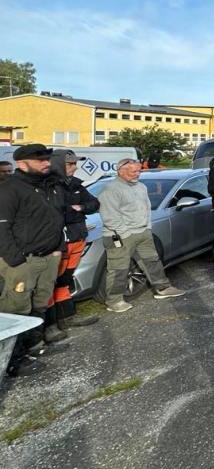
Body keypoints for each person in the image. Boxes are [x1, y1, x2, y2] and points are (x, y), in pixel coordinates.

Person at [0, 144, 65, 377]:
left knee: (40, 303)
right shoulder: (9, 188)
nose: (47, 163)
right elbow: (2, 228)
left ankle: (32, 346)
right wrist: (17, 261)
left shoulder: (48, 185)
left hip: (49, 257)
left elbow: (57, 218)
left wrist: (59, 248)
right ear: (21, 163)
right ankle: (11, 361)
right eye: (40, 160)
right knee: (16, 309)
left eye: (47, 159)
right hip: (22, 261)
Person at [99, 157, 186, 312]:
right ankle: (114, 301)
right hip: (121, 236)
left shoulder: (141, 187)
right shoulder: (111, 189)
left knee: (152, 261)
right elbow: (110, 216)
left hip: (143, 232)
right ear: (120, 171)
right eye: (134, 171)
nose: (137, 174)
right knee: (119, 269)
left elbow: (146, 208)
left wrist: (147, 227)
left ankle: (163, 288)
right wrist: (125, 233)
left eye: (139, 171)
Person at [47, 150, 101, 337]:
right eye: (70, 164)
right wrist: (76, 210)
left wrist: (80, 208)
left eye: (74, 163)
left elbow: (95, 204)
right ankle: (50, 325)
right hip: (59, 240)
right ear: (57, 165)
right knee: (50, 281)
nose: (75, 167)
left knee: (65, 280)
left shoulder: (76, 184)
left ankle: (67, 316)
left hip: (77, 237)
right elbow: (57, 213)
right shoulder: (50, 186)